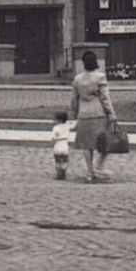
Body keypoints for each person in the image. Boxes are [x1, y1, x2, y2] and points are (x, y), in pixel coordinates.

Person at [70, 50, 117, 182]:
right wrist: (112, 113)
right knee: (105, 142)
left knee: (87, 145)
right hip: (98, 113)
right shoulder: (100, 77)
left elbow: (74, 99)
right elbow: (105, 98)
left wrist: (73, 113)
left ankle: (89, 172)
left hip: (83, 114)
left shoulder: (77, 79)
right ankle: (99, 166)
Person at [51, 110, 74, 181]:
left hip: (57, 145)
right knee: (65, 160)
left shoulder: (55, 128)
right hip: (65, 145)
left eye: (55, 119)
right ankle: (63, 173)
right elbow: (73, 126)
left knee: (57, 161)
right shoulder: (67, 126)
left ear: (59, 120)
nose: (53, 120)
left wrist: (52, 144)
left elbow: (54, 138)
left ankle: (58, 174)